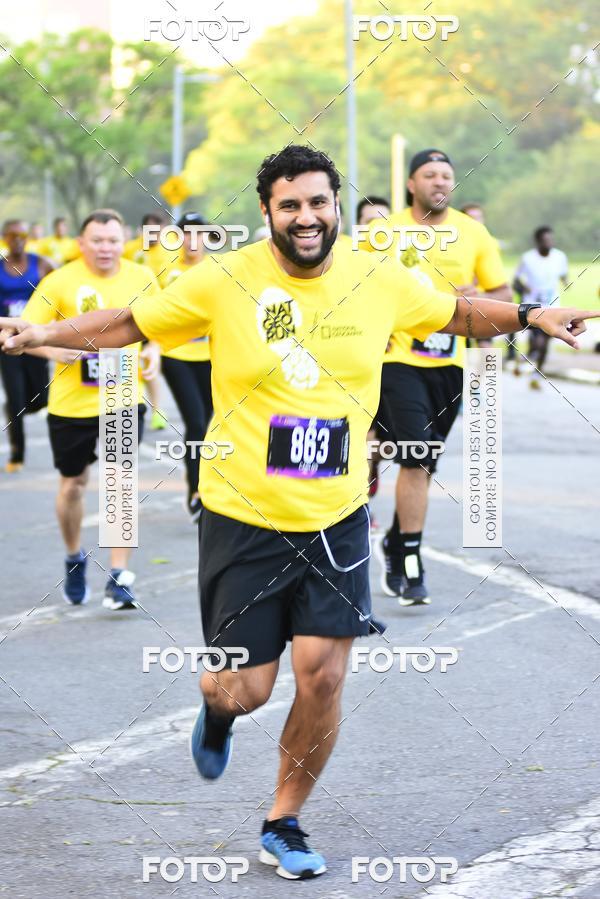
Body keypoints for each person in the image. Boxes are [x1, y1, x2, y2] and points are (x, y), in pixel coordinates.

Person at [0, 145, 593, 881]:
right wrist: (40, 333)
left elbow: (458, 311)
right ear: (267, 212)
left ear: (335, 204)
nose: (307, 217)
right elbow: (132, 322)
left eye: (318, 202)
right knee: (244, 686)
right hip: (241, 514)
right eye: (290, 205)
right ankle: (216, 710)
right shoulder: (224, 278)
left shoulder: (376, 276)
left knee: (322, 677)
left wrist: (536, 314)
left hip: (336, 511)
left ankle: (283, 819)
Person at [365, 149, 512, 605]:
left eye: (447, 175)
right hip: (396, 361)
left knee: (422, 462)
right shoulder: (382, 233)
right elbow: (353, 285)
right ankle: (410, 558)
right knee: (416, 453)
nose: (439, 181)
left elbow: (503, 294)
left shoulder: (473, 234)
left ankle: (393, 538)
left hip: (448, 365)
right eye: (429, 174)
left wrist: (477, 295)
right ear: (411, 184)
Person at [6, 209, 160, 608]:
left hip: (122, 397)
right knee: (73, 485)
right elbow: (25, 333)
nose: (106, 248)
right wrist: (54, 350)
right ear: (81, 243)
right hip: (71, 405)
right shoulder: (59, 281)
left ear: (123, 242)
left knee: (120, 487)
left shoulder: (141, 278)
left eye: (113, 240)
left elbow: (159, 328)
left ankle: (120, 574)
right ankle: (74, 557)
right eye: (98, 241)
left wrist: (155, 354)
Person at [158, 213, 213, 522]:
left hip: (212, 357)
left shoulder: (217, 270)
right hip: (176, 356)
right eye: (186, 234)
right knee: (195, 422)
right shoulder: (166, 272)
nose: (193, 241)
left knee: (210, 423)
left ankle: (207, 484)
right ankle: (196, 491)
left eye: (199, 234)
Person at [0, 220, 55, 472]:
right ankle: (17, 454)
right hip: (7, 340)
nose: (18, 239)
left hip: (35, 338)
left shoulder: (41, 264)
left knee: (41, 397)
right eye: (13, 235)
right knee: (15, 397)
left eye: (22, 234)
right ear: (4, 237)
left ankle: (21, 404)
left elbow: (58, 293)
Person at [124, 212, 178, 430]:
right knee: (127, 360)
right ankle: (124, 409)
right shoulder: (131, 249)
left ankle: (157, 410)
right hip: (131, 313)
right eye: (149, 232)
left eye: (158, 231)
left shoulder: (173, 248)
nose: (153, 236)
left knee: (149, 362)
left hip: (159, 314)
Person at [514, 226, 569, 389]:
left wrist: (566, 281)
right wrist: (524, 289)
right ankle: (529, 364)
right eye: (545, 240)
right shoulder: (527, 258)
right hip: (533, 308)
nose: (549, 243)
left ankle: (535, 371)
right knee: (539, 342)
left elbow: (563, 273)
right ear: (538, 241)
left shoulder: (560, 256)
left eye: (551, 239)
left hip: (553, 306)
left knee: (546, 341)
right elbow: (516, 280)